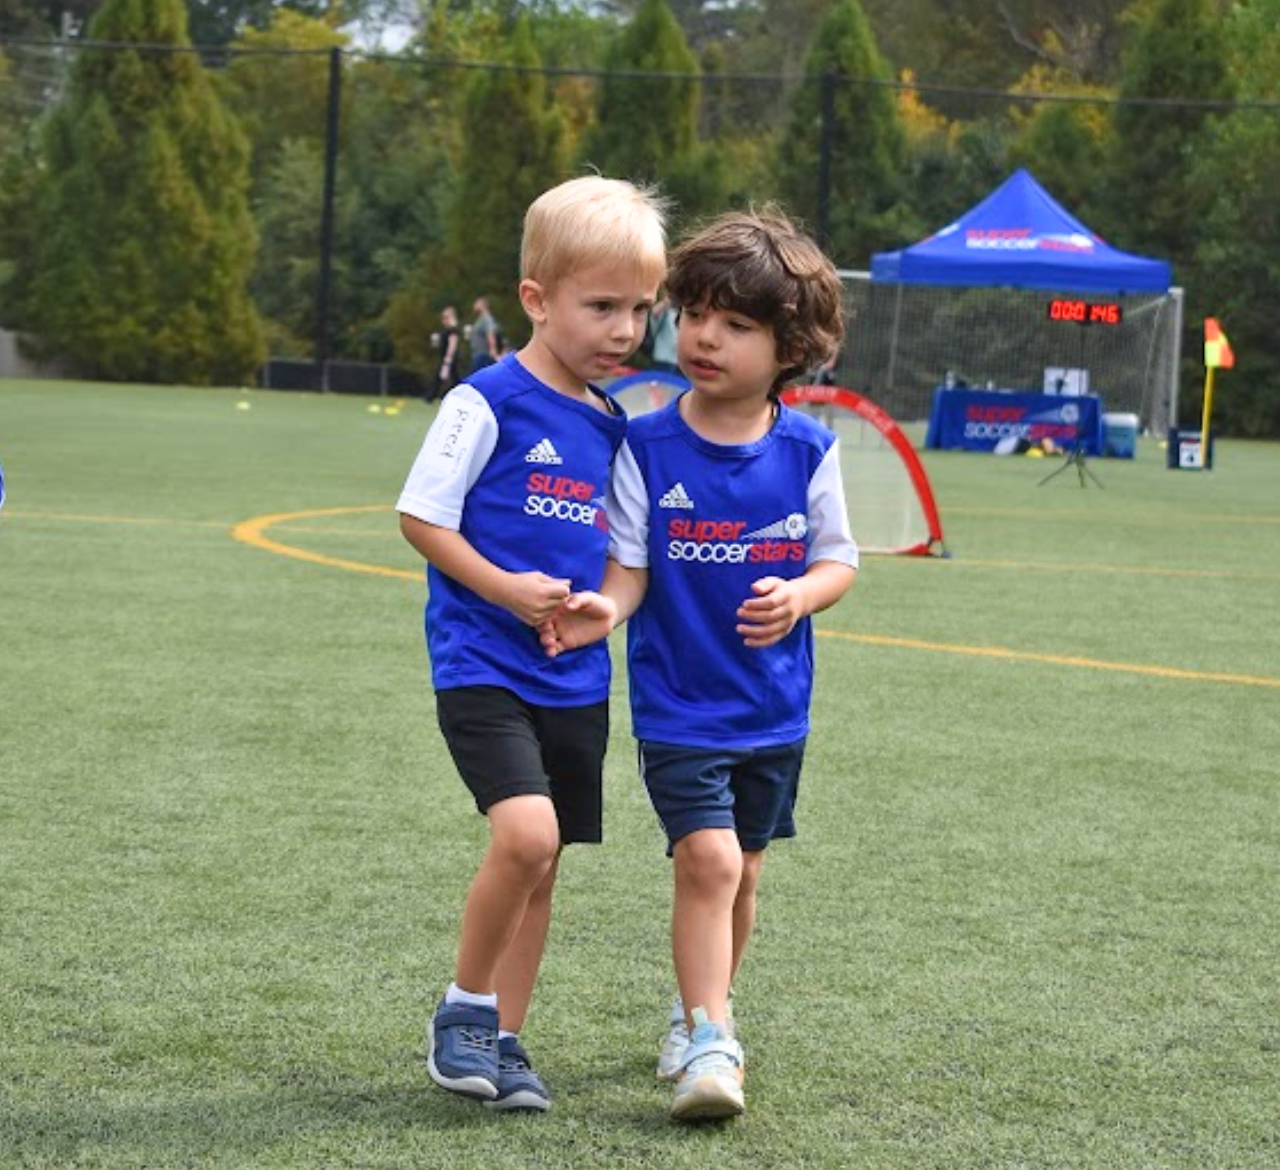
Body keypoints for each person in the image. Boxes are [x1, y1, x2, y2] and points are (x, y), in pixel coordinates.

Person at [540, 208, 858, 1122]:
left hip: (774, 709)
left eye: (738, 324)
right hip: (680, 709)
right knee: (710, 861)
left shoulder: (808, 450)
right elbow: (630, 568)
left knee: (744, 872)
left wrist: (802, 596)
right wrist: (606, 607)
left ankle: (697, 1015)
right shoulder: (645, 446)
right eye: (695, 313)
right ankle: (714, 1042)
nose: (705, 336)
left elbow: (839, 559)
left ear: (791, 347)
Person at [396, 175, 667, 1113]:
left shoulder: (615, 427)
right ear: (537, 300)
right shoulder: (485, 402)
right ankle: (463, 1011)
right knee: (527, 833)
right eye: (601, 306)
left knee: (543, 866)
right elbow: (421, 519)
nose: (625, 329)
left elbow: (626, 563)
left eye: (640, 308)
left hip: (573, 678)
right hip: (484, 665)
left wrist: (608, 610)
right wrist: (507, 590)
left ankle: (504, 1041)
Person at [429, 305, 461, 402]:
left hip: (449, 358)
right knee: (448, 377)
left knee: (451, 378)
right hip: (445, 357)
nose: (444, 320)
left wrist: (448, 357)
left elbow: (453, 343)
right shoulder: (447, 329)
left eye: (446, 317)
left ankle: (430, 397)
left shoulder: (453, 329)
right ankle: (431, 396)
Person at [646, 296, 679, 374]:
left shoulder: (681, 315)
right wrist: (666, 301)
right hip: (662, 357)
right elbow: (654, 312)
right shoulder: (666, 313)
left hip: (675, 360)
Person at [469, 296, 501, 375]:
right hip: (478, 354)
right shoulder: (480, 319)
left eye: (477, 303)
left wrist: (493, 349)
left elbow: (490, 333)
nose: (474, 305)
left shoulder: (486, 318)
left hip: (483, 355)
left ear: (483, 305)